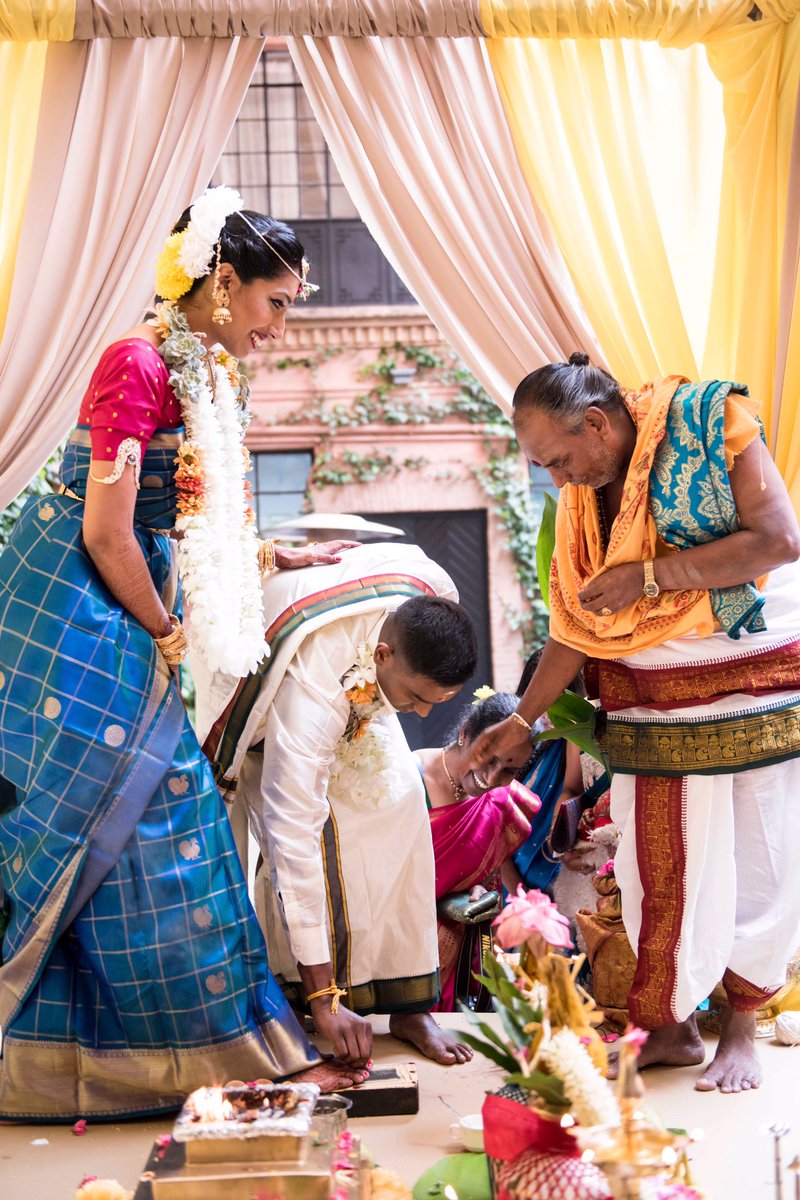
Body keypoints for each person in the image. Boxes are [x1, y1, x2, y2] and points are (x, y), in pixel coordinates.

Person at [0, 187, 366, 1120]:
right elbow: (108, 531)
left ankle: (184, 1056)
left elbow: (188, 511)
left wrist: (271, 551)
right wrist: (166, 632)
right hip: (73, 601)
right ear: (225, 281)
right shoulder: (136, 364)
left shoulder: (207, 370)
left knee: (153, 815)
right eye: (276, 303)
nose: (281, 326)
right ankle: (157, 1059)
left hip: (127, 586)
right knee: (137, 802)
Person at [472, 353, 800, 1094]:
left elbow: (779, 540)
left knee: (761, 846)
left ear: (596, 422)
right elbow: (580, 618)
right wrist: (524, 719)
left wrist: (651, 578)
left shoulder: (714, 423)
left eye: (558, 459)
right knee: (660, 857)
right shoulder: (585, 496)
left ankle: (741, 1028)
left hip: (750, 669)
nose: (557, 480)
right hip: (648, 690)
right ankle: (671, 1026)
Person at [196, 541, 480, 1068]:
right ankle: (309, 995)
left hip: (352, 664)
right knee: (328, 836)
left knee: (403, 807)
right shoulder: (313, 696)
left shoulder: (435, 590)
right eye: (416, 697)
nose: (420, 716)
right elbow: (290, 834)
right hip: (261, 682)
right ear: (382, 655)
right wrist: (325, 998)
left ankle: (409, 1003)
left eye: (434, 703)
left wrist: (394, 697)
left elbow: (408, 673)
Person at [415, 690, 541, 1011]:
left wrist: (480, 891)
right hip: (400, 944)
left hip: (454, 957)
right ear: (465, 733)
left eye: (509, 770)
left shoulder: (501, 803)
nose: (492, 778)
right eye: (490, 758)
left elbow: (487, 878)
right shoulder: (409, 778)